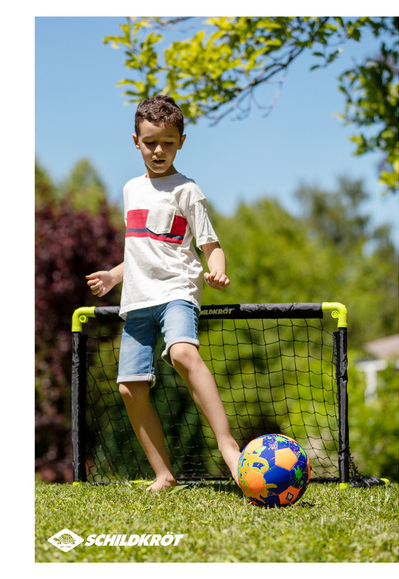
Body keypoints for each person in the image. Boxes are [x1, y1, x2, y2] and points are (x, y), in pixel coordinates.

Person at [86, 95, 242, 490]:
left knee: (183, 353)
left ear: (181, 142)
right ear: (135, 141)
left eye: (168, 143)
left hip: (176, 290)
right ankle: (164, 474)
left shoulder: (187, 190)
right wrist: (114, 276)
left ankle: (228, 445)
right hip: (137, 298)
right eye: (151, 142)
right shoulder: (130, 190)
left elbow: (211, 245)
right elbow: (142, 250)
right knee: (130, 386)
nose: (159, 150)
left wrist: (218, 271)